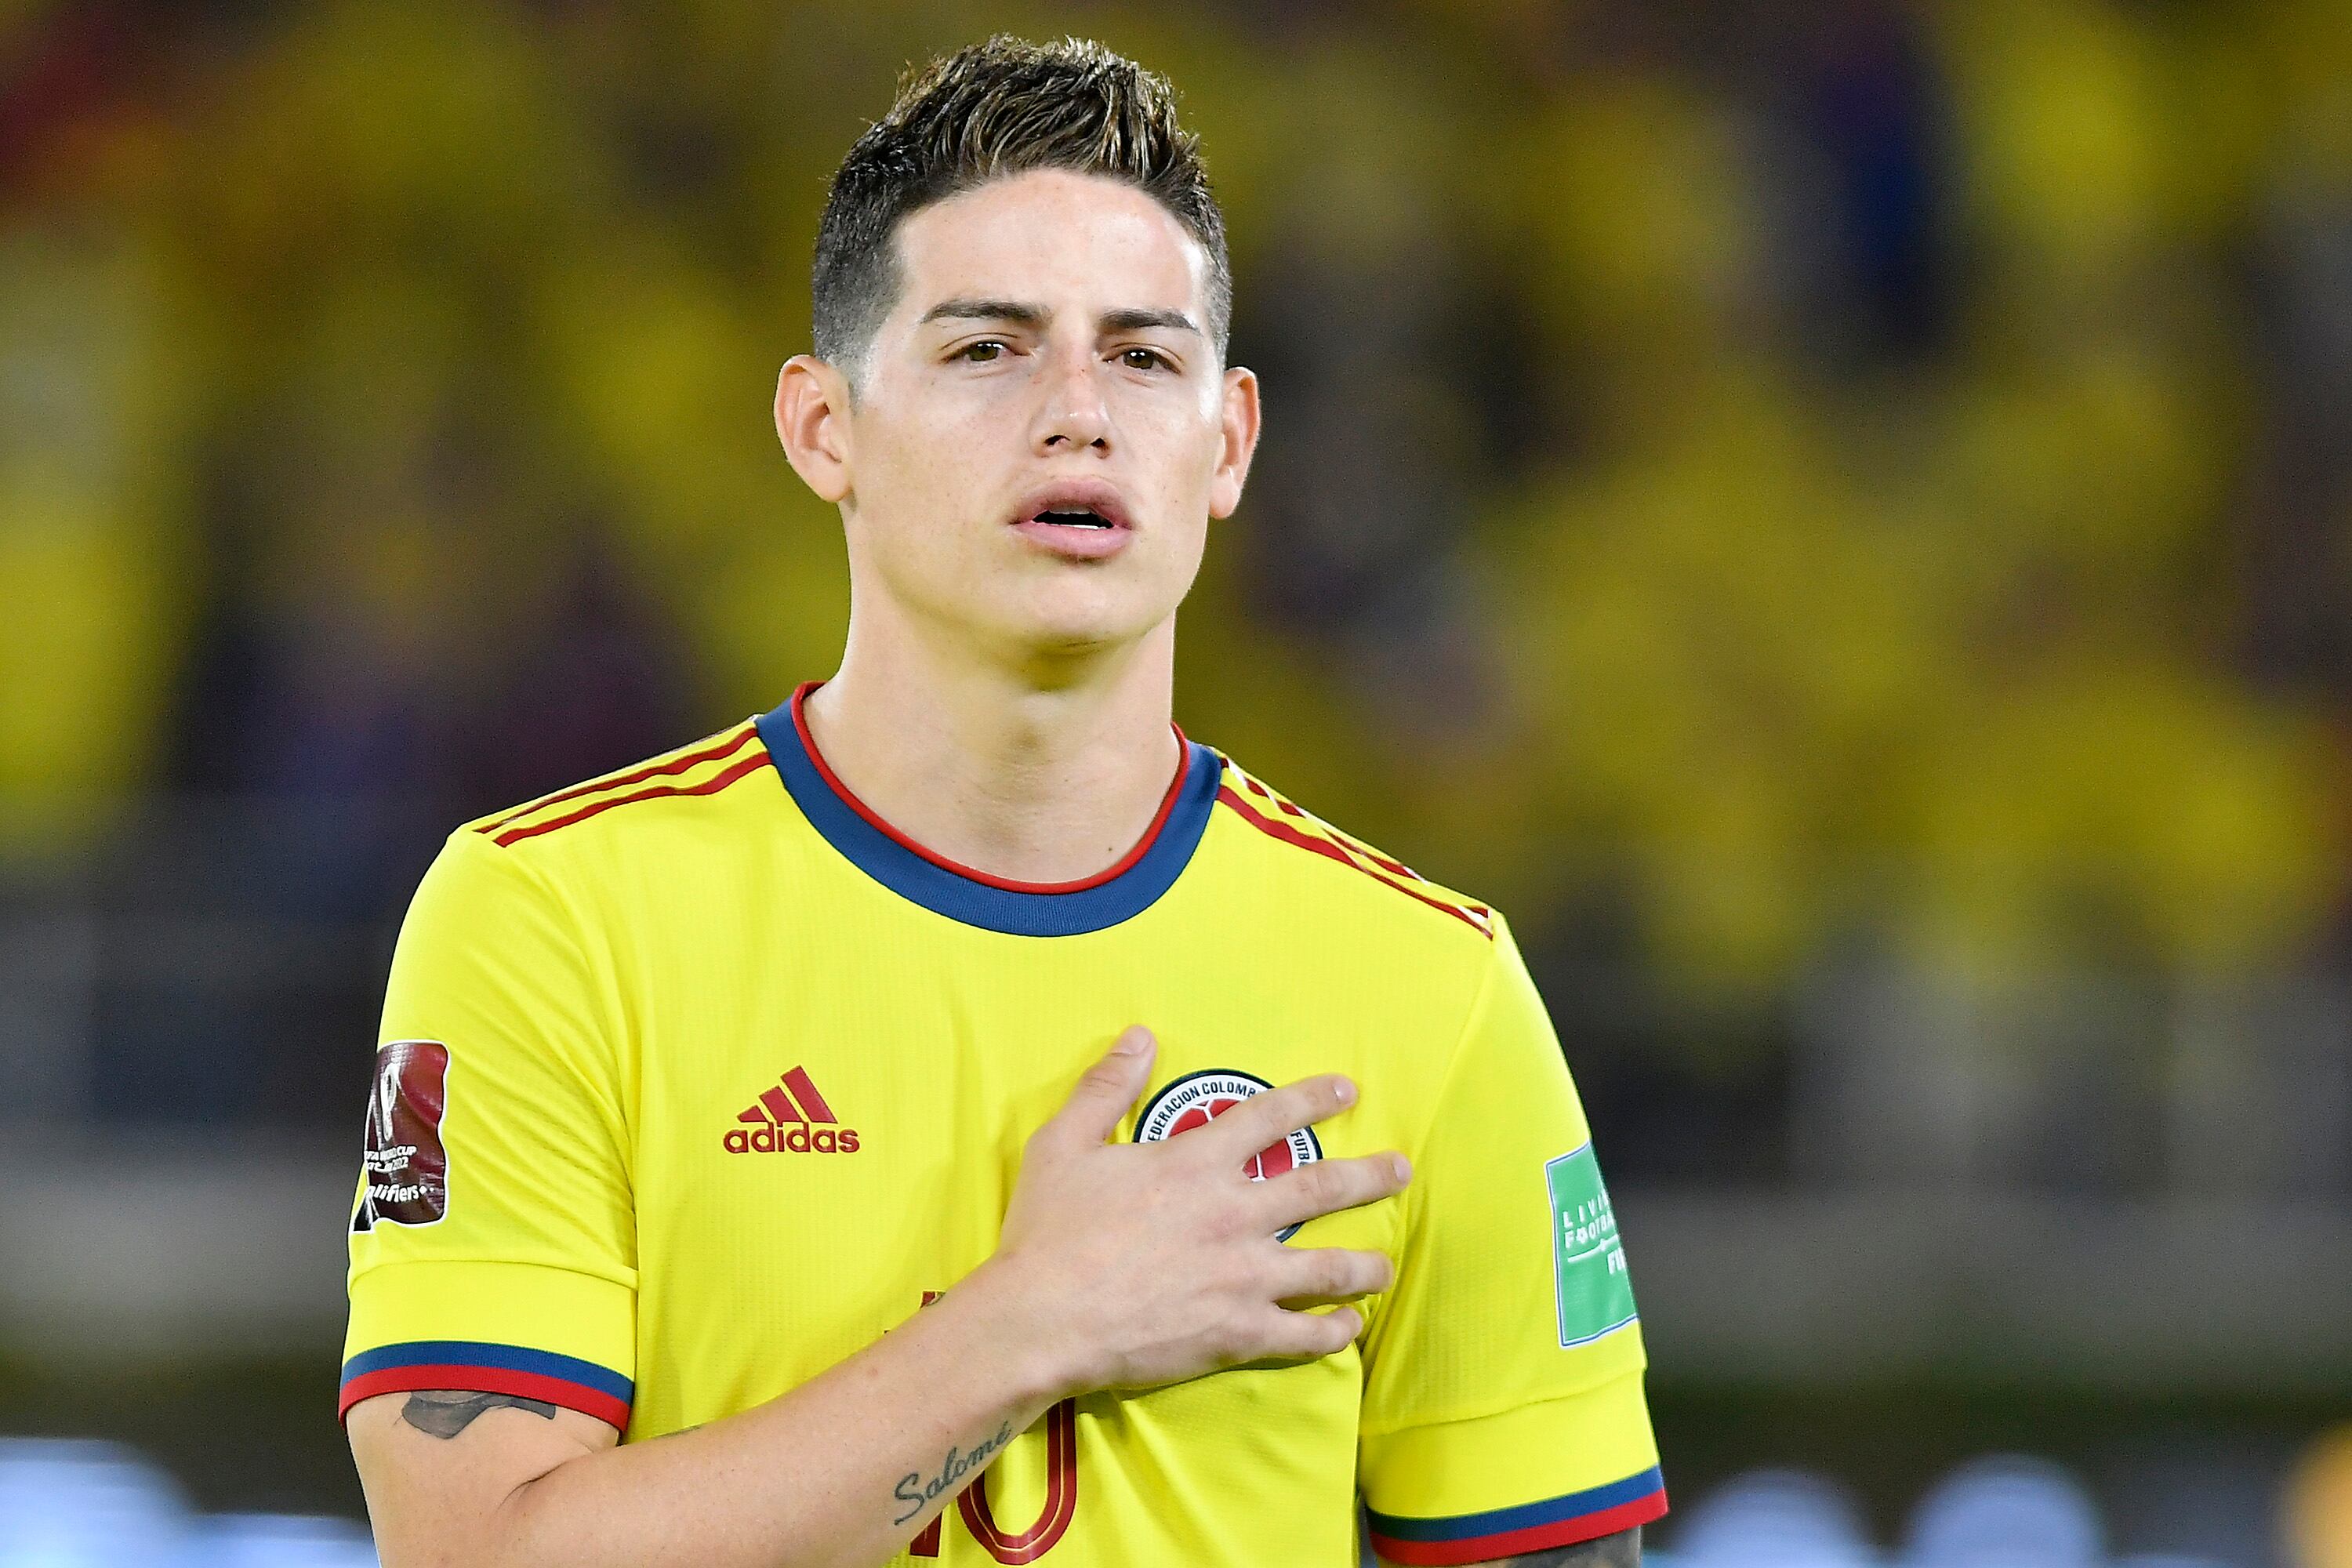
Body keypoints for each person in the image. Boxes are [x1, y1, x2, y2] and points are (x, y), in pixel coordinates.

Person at [339, 34, 1664, 1568]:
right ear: (822, 427)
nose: (1079, 413)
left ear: (1228, 442)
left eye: (1143, 358)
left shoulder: (1434, 988)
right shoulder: (549, 919)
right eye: (988, 349)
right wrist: (1030, 1327)